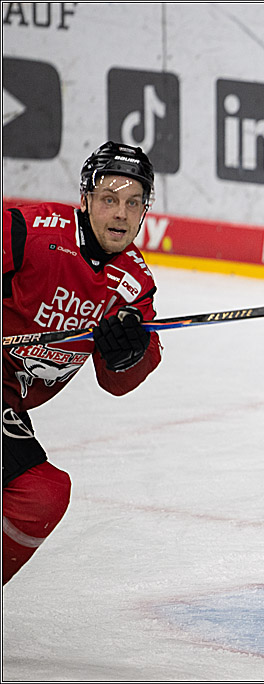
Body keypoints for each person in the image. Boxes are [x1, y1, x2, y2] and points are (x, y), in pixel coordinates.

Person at [3, 141, 162, 584]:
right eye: (109, 199)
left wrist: (126, 353)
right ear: (86, 198)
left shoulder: (133, 285)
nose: (121, 214)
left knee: (42, 493)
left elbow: (119, 381)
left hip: (6, 405)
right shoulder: (31, 232)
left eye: (134, 203)